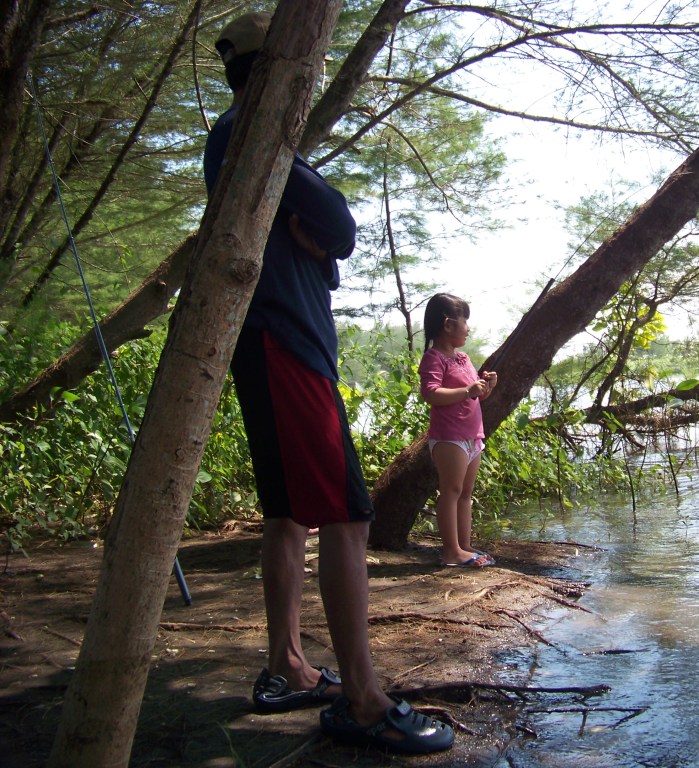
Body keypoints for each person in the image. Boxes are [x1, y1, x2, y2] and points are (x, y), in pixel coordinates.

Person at [204, 12, 453, 754]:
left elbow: (325, 230)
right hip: (290, 345)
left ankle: (285, 663)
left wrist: (315, 232)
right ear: (281, 69)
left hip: (269, 343)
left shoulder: (239, 141)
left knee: (288, 515)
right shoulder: (256, 136)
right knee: (346, 516)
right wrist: (319, 236)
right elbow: (340, 225)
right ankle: (364, 701)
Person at [418, 293, 498, 567]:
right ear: (449, 325)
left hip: (472, 435)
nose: (468, 328)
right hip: (449, 437)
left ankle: (464, 547)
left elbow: (475, 395)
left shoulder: (463, 358)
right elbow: (430, 393)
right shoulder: (434, 357)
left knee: (466, 491)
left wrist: (486, 388)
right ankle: (451, 551)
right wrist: (467, 390)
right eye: (465, 322)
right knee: (451, 490)